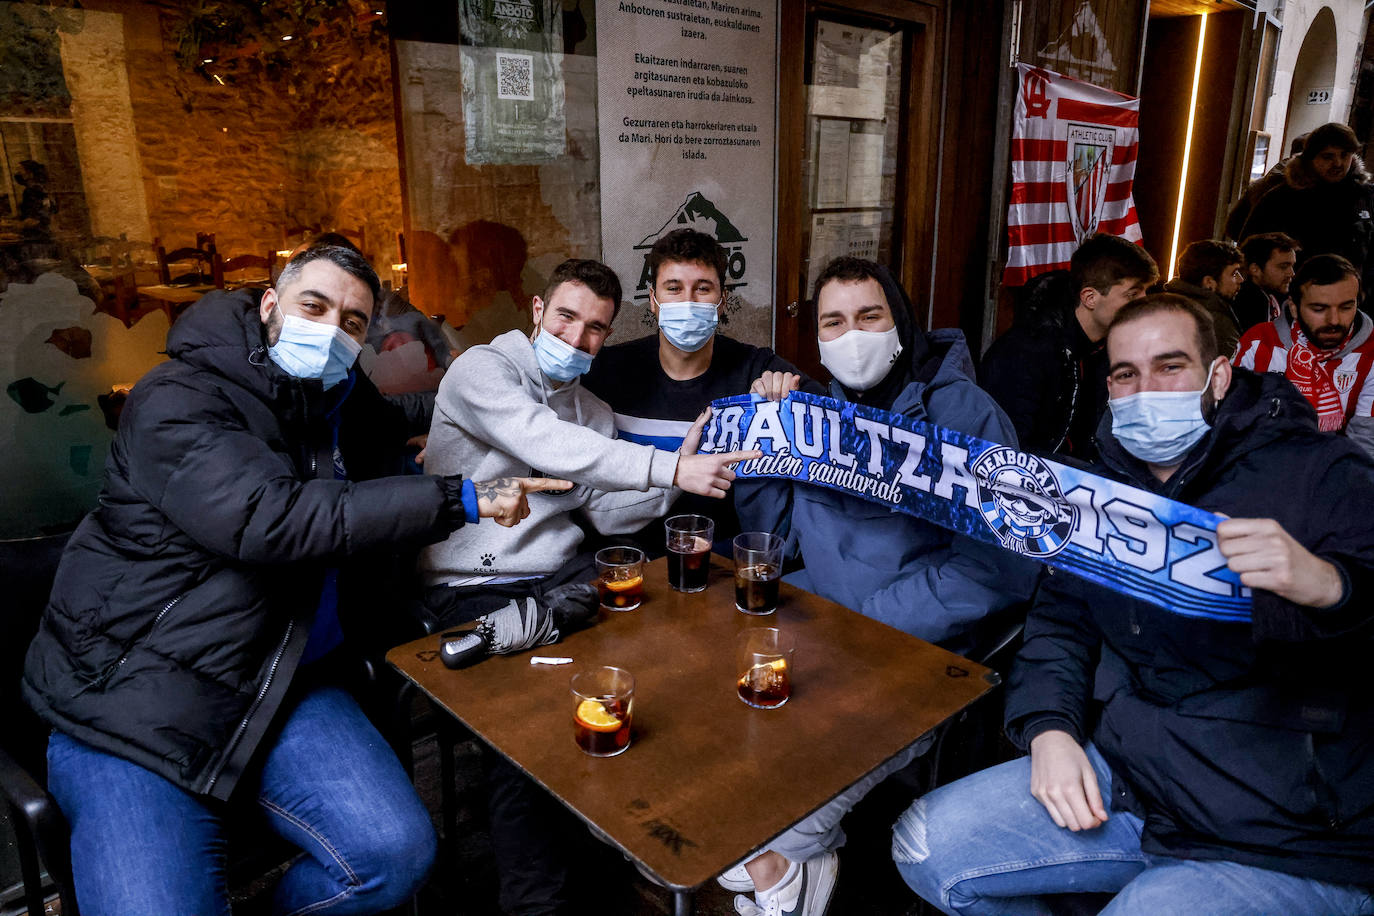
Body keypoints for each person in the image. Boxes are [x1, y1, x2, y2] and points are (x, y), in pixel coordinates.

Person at [21, 244, 565, 915]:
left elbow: (399, 419)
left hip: (282, 677)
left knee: (394, 856)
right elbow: (268, 517)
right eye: (316, 305)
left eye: (354, 321)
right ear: (270, 303)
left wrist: (510, 394)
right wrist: (464, 498)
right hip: (140, 702)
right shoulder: (177, 398)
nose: (333, 329)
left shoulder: (331, 392)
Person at [892, 293, 1374, 916]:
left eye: (1170, 366)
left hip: (1286, 830)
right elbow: (1060, 620)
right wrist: (1049, 730)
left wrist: (1332, 588)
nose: (1146, 389)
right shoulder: (1105, 487)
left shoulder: (1323, 475)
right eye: (1125, 374)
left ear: (1219, 375)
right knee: (924, 845)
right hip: (1140, 776)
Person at [417, 256, 755, 915]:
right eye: (566, 317)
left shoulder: (591, 408)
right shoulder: (481, 371)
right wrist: (669, 467)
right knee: (533, 736)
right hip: (473, 587)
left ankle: (633, 842)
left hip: (565, 579)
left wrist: (674, 471)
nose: (577, 338)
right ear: (538, 311)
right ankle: (536, 904)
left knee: (661, 670)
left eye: (595, 329)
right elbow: (541, 441)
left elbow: (604, 511)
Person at [727, 257, 1040, 916]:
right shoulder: (815, 408)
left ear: (899, 323)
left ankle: (784, 865)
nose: (852, 336)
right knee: (724, 728)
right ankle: (782, 864)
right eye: (833, 322)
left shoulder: (963, 412)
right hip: (823, 624)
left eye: (868, 317)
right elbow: (774, 538)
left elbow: (999, 566)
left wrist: (865, 624)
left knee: (766, 823)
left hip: (923, 646)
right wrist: (764, 439)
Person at [583, 227, 818, 551]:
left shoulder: (754, 367)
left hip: (718, 561)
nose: (688, 301)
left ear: (723, 301)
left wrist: (788, 396)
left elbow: (833, 420)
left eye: (703, 289)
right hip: (623, 557)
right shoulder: (606, 370)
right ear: (653, 300)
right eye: (674, 288)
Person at [981, 233, 1159, 461]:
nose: (1145, 304)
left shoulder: (1115, 349)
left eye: (1146, 292)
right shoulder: (1024, 352)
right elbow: (1008, 451)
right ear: (1090, 297)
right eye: (1132, 294)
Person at [1235, 253, 1374, 456]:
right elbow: (1231, 420)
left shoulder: (1370, 352)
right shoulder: (1258, 343)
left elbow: (1365, 443)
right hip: (1260, 466)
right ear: (1294, 308)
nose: (1334, 320)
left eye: (1346, 307)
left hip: (1334, 471)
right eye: (1319, 309)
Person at [1242, 121, 1374, 294]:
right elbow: (1249, 250)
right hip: (1293, 298)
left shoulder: (1364, 196)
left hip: (1351, 299)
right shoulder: (1283, 198)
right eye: (1328, 156)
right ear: (1311, 158)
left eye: (1344, 155)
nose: (1338, 163)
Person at [1163, 239, 1244, 357]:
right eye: (1234, 273)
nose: (1241, 280)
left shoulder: (1162, 305)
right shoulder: (1216, 322)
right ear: (1209, 282)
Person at [1233, 231, 1299, 332]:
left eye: (1292, 266)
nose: (1291, 273)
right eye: (1283, 266)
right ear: (1255, 269)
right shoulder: (1249, 304)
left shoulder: (1271, 297)